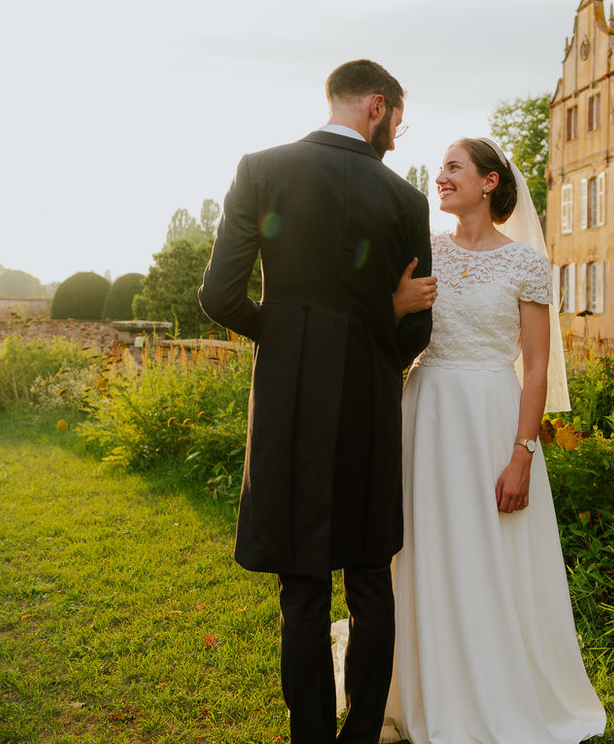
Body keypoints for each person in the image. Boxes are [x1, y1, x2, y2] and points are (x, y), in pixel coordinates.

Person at [198, 59, 436, 744]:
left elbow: (218, 295)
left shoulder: (261, 169)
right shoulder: (405, 200)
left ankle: (310, 736)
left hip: (288, 404)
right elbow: (417, 319)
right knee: (369, 579)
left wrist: (286, 338)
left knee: (301, 585)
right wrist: (369, 354)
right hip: (368, 404)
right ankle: (360, 733)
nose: (397, 132)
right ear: (377, 106)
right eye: (396, 118)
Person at [369, 137, 606, 743]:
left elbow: (534, 369)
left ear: (490, 182)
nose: (440, 176)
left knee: (492, 555)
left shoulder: (525, 262)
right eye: (440, 168)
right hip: (425, 412)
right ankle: (426, 686)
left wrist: (523, 454)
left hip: (494, 419)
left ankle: (499, 687)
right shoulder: (422, 254)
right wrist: (395, 307)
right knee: (423, 547)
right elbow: (383, 330)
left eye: (454, 167)